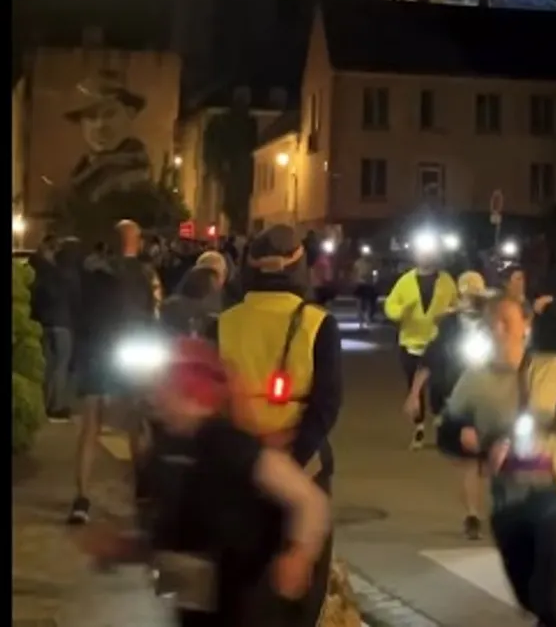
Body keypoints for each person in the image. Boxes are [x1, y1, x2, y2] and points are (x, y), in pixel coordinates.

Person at [82, 337, 331, 625]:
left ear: (189, 391)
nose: (154, 395)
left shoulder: (231, 445)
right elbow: (169, 535)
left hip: (249, 603)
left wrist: (298, 556)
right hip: (196, 608)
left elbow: (310, 500)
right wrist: (121, 549)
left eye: (164, 386)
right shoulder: (163, 452)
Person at [437, 295, 556, 627]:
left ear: (525, 326)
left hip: (553, 497)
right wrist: (472, 443)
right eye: (490, 323)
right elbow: (447, 432)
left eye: (506, 321)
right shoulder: (473, 380)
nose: (497, 330)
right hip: (506, 504)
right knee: (529, 598)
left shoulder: (550, 367)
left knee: (551, 598)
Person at [217, 224, 343, 627]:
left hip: (238, 472)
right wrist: (294, 456)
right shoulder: (319, 324)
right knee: (300, 590)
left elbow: (212, 402)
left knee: (241, 584)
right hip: (303, 470)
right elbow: (326, 405)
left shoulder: (223, 322)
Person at [68, 219, 158, 525]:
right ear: (134, 241)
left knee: (95, 426)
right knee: (133, 424)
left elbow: (78, 312)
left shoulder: (91, 271)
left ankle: (83, 498)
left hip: (98, 353)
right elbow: (149, 315)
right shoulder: (141, 275)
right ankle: (140, 494)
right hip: (125, 354)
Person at [405, 270, 492, 538]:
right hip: (455, 397)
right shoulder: (448, 326)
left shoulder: (494, 323)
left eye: (475, 296)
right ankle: (472, 516)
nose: (471, 300)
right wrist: (414, 394)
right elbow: (429, 362)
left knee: (491, 461)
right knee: (469, 461)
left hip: (489, 397)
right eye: (466, 295)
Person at [384, 234, 458, 450]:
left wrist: (450, 312)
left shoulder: (446, 281)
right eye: (422, 253)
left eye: (429, 254)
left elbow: (456, 303)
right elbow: (391, 305)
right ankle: (419, 428)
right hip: (410, 342)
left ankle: (440, 417)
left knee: (439, 384)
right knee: (413, 385)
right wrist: (399, 312)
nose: (426, 257)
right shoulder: (406, 281)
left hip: (436, 340)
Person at [30, 234, 82, 422]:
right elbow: (76, 301)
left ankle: (44, 404)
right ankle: (57, 406)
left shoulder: (46, 271)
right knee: (61, 366)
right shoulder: (69, 274)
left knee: (49, 365)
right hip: (64, 323)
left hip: (46, 322)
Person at [351, 252, 378, 327]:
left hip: (368, 284)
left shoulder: (371, 263)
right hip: (360, 284)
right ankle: (361, 321)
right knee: (360, 303)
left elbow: (374, 272)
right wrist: (355, 281)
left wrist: (374, 280)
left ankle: (367, 319)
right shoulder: (358, 263)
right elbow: (354, 273)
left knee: (368, 302)